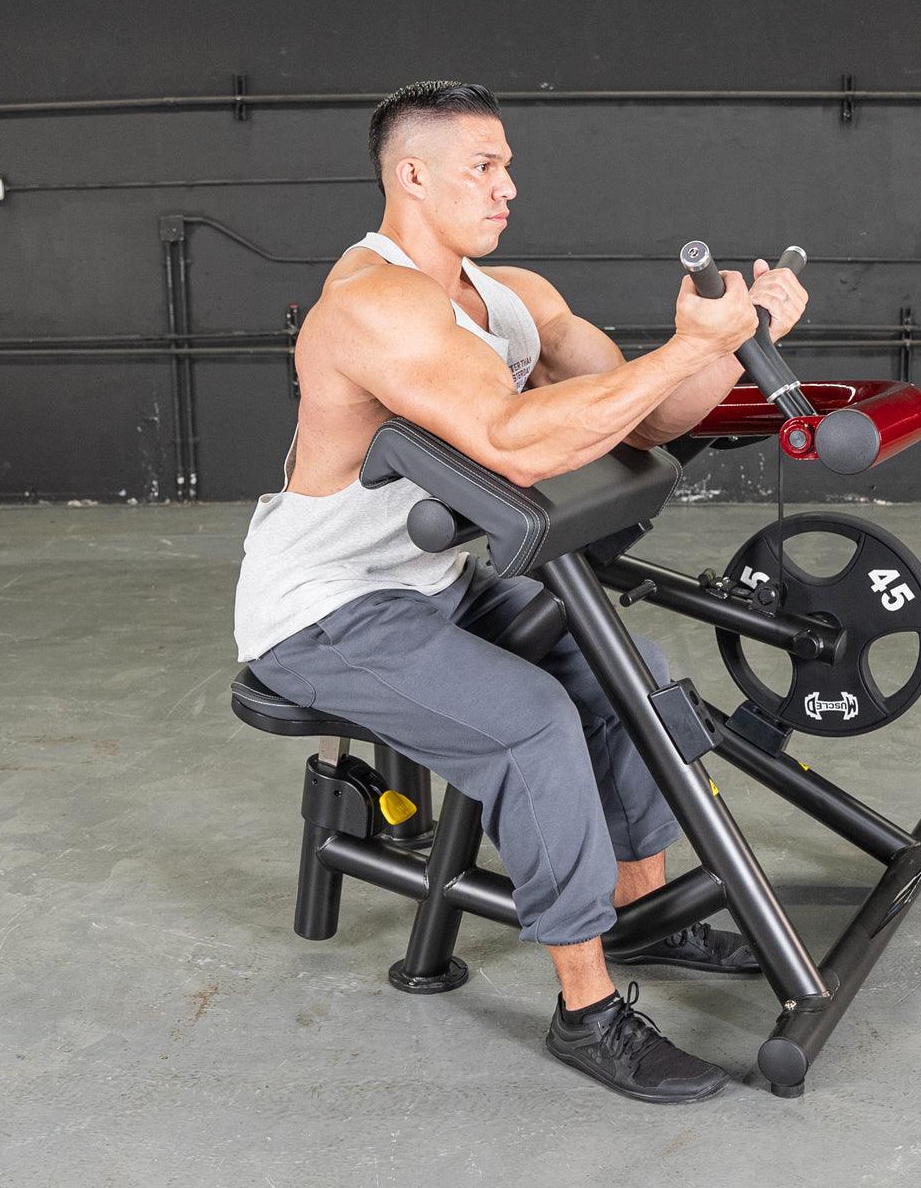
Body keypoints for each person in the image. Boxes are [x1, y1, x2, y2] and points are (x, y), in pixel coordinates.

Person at [234, 80, 808, 1104]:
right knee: (532, 721)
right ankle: (587, 1012)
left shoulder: (513, 299)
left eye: (507, 165)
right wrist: (692, 346)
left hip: (434, 584)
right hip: (324, 610)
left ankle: (647, 916)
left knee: (628, 672)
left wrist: (730, 340)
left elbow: (647, 416)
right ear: (413, 175)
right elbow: (510, 439)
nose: (508, 187)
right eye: (484, 167)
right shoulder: (371, 305)